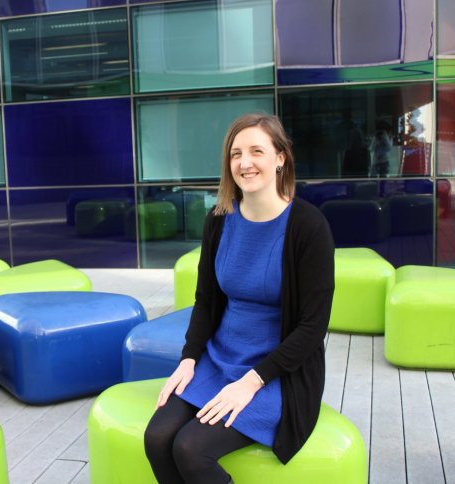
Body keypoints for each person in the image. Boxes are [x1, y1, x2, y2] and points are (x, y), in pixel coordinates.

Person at [144, 114, 335, 483]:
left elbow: (313, 327)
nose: (244, 163)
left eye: (256, 151)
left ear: (280, 158)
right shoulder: (219, 219)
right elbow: (206, 301)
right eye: (236, 154)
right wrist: (188, 359)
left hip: (277, 373)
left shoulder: (308, 226)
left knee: (191, 449)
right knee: (157, 438)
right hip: (219, 360)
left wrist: (252, 382)